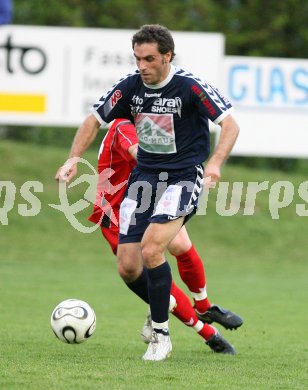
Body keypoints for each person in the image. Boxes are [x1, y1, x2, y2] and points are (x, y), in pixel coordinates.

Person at [56, 24, 240, 361]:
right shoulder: (131, 87)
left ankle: (160, 334)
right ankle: (169, 306)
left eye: (150, 59)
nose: (142, 65)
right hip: (144, 181)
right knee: (128, 266)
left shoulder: (189, 86)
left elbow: (229, 124)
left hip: (183, 177)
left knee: (154, 248)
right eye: (138, 58)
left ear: (167, 56)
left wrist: (215, 163)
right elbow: (94, 120)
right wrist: (72, 160)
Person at [87, 118, 242, 349]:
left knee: (179, 244)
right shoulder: (124, 125)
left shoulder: (153, 121)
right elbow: (141, 154)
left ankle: (204, 307)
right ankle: (208, 333)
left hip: (147, 197)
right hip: (117, 211)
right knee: (147, 272)